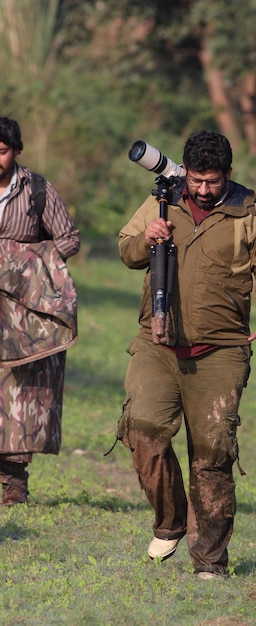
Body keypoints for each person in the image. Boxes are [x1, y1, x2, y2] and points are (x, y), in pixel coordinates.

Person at [116, 130, 256, 579]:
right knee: (143, 432)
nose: (203, 189)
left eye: (212, 180)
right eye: (196, 179)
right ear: (185, 172)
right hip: (157, 344)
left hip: (221, 351)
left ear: (227, 175)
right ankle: (171, 521)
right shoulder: (162, 200)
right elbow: (127, 250)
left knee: (212, 455)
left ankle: (210, 562)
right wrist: (147, 239)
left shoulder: (248, 212)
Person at [0, 116, 80, 506]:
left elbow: (68, 238)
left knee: (22, 393)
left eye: (1, 151)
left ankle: (14, 482)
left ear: (16, 151)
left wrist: (27, 261)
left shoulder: (37, 190)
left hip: (26, 310)